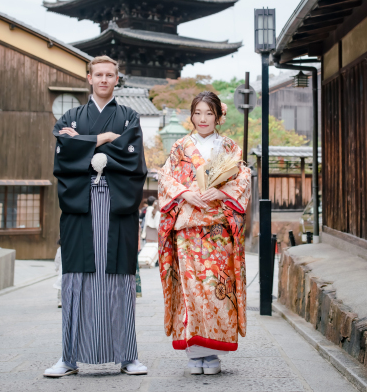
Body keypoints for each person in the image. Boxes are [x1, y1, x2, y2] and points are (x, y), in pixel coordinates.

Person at [44, 56, 148, 378]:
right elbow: (64, 152)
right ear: (89, 78)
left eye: (109, 75)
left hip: (117, 206)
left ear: (117, 79)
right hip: (81, 205)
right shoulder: (71, 116)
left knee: (120, 281)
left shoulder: (129, 116)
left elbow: (133, 159)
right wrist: (103, 139)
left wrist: (84, 144)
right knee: (76, 280)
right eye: (98, 74)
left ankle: (127, 355)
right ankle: (69, 357)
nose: (104, 79)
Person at [157, 91, 251, 376]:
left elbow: (243, 177)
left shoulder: (229, 147)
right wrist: (184, 193)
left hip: (217, 231)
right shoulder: (180, 147)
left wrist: (221, 192)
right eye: (197, 113)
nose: (202, 119)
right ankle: (195, 352)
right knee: (191, 290)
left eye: (209, 113)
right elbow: (165, 177)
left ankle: (212, 352)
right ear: (191, 115)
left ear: (218, 116)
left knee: (215, 289)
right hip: (188, 229)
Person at [54, 238, 62, 308]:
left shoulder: (60, 249)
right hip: (63, 268)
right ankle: (60, 300)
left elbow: (57, 260)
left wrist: (56, 268)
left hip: (61, 268)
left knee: (60, 284)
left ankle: (60, 300)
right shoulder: (60, 249)